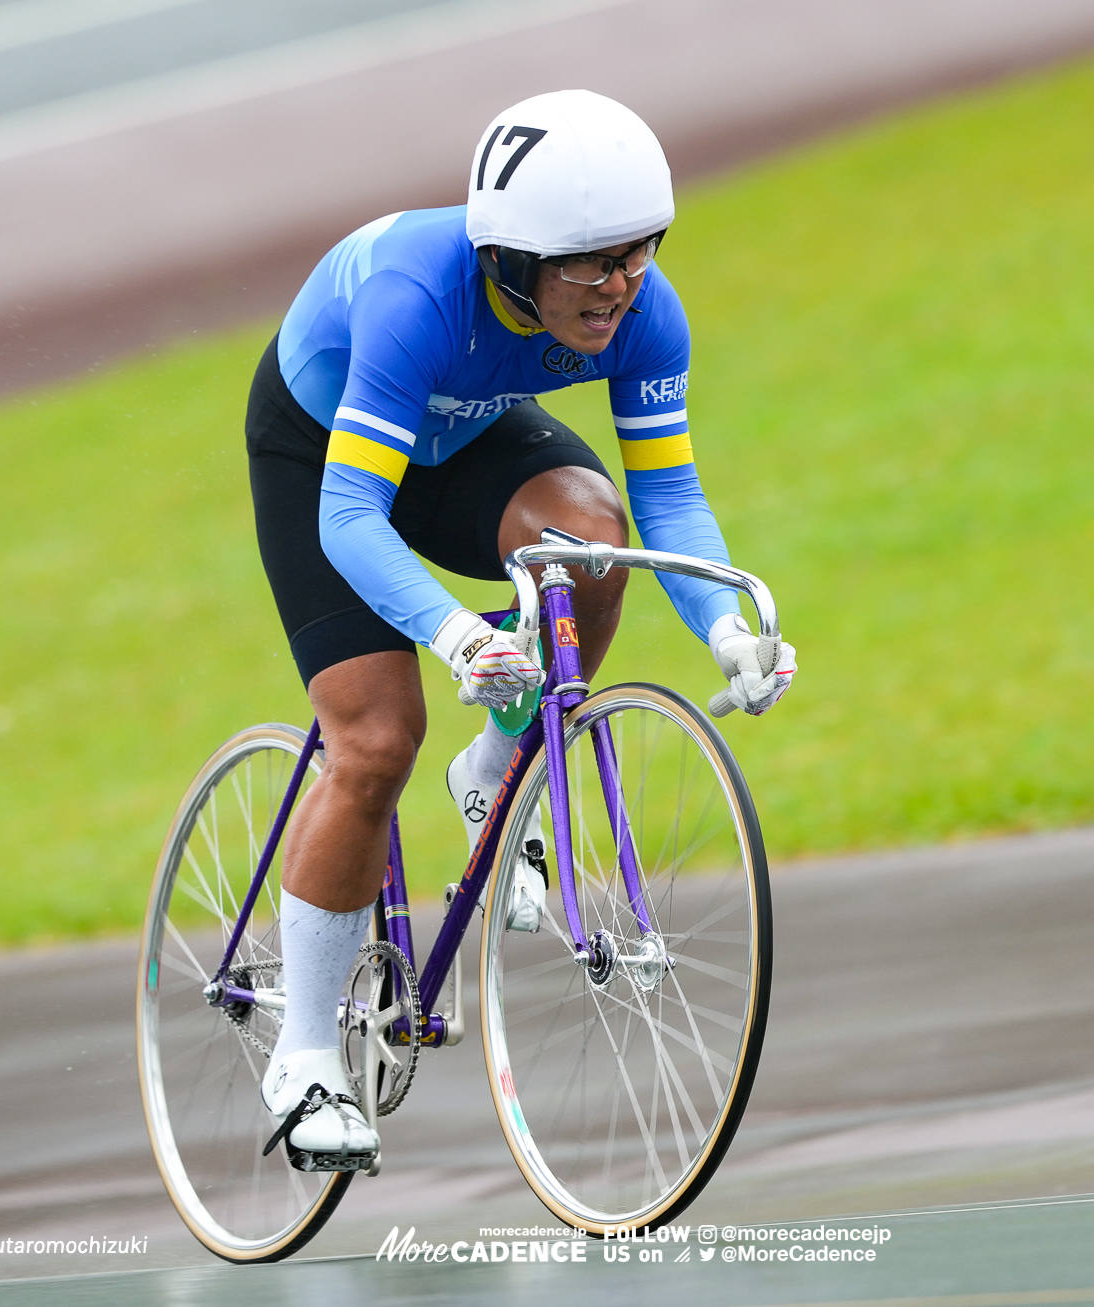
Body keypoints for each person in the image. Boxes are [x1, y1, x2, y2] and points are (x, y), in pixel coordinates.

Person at [244, 89, 798, 1168]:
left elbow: (668, 502)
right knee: (373, 740)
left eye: (638, 253)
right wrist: (458, 637)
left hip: (460, 437)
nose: (620, 286)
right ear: (510, 262)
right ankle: (305, 1055)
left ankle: (496, 765)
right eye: (590, 264)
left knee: (591, 534)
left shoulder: (645, 311)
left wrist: (728, 631)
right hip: (328, 460)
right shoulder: (416, 296)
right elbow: (350, 517)